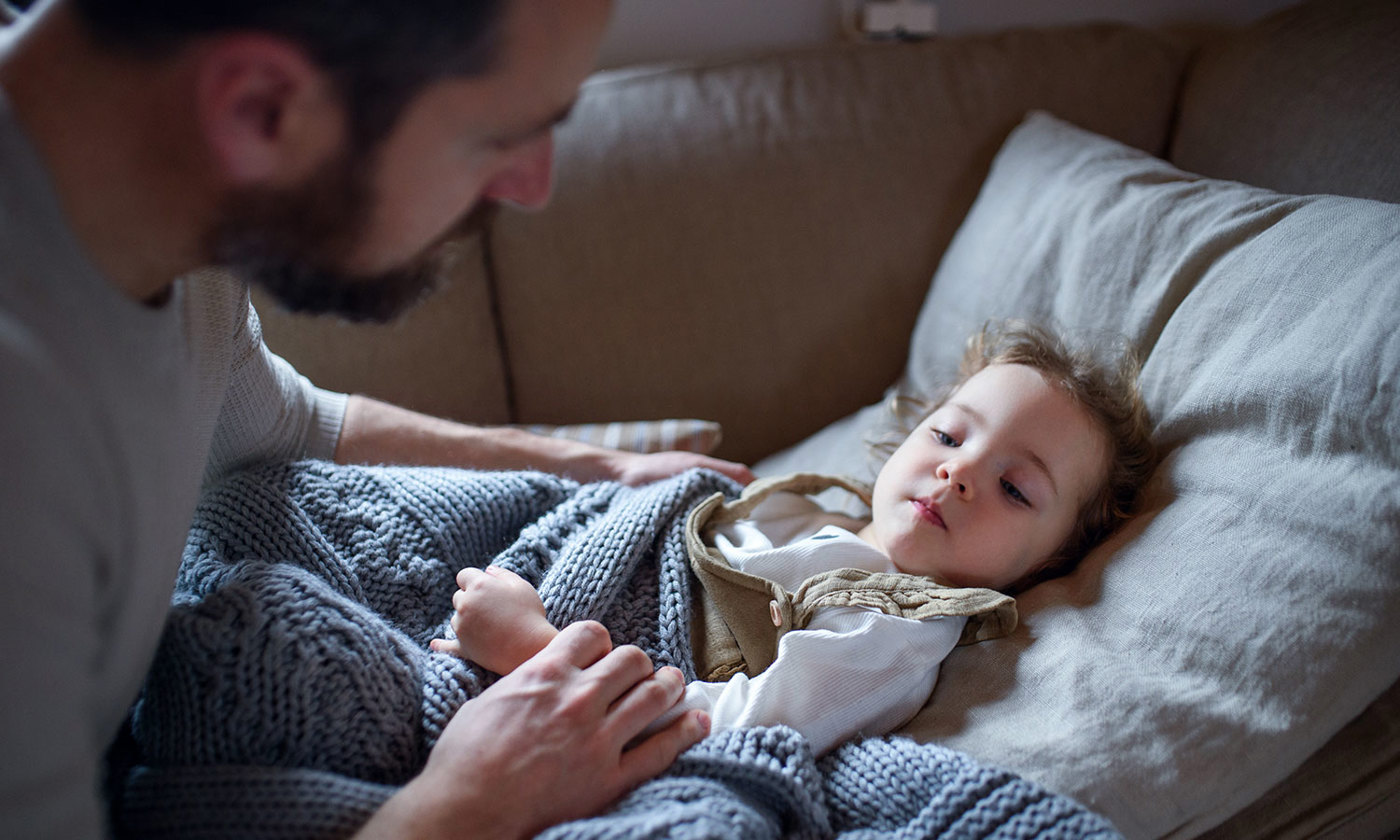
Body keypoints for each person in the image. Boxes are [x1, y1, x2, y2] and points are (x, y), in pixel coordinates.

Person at [0, 0, 755, 837]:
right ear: (259, 109)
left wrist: (597, 467)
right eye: (500, 135)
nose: (532, 188)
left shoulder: (159, 214)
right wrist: (471, 801)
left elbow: (285, 422)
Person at [432, 321, 1156, 757]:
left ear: (1048, 564)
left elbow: (733, 731)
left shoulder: (895, 631)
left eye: (1015, 488)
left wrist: (535, 649)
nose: (959, 470)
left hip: (557, 670)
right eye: (948, 432)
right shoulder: (806, 512)